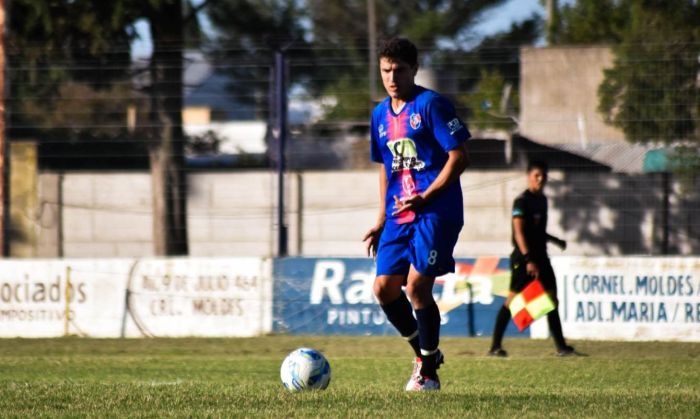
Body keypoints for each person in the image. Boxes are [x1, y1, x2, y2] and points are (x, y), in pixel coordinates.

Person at [362, 37, 470, 391]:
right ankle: (425, 355)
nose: (392, 78)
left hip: (435, 210)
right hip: (398, 214)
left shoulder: (431, 105)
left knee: (416, 287)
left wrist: (425, 196)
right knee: (383, 288)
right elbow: (385, 168)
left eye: (399, 70)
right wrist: (380, 219)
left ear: (414, 69)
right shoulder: (379, 115)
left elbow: (459, 157)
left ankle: (428, 374)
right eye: (385, 71)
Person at [488, 160, 576, 357]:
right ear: (529, 176)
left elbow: (538, 231)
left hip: (541, 256)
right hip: (524, 258)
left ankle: (562, 347)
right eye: (537, 175)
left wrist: (555, 240)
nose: (540, 179)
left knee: (552, 299)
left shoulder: (542, 200)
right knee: (512, 301)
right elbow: (519, 233)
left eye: (543, 176)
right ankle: (495, 346)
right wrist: (528, 259)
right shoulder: (522, 201)